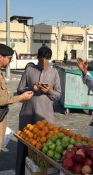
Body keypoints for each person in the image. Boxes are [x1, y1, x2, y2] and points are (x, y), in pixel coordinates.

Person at [0, 43, 34, 175]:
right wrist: (20, 98)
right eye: (9, 58)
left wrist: (21, 95)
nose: (10, 61)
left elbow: (2, 96)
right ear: (0, 57)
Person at [15, 45, 62, 175]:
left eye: (47, 61)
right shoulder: (29, 70)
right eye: (42, 61)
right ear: (38, 57)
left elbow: (58, 95)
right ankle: (19, 172)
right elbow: (19, 90)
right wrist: (32, 88)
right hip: (27, 114)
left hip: (45, 116)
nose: (44, 64)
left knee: (45, 147)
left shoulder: (54, 73)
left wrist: (49, 91)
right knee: (23, 146)